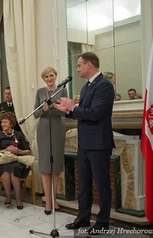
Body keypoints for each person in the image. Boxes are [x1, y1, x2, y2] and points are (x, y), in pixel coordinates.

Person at [54, 52, 115, 235]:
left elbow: (95, 113)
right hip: (84, 143)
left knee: (102, 184)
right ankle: (83, 217)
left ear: (89, 65)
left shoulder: (104, 85)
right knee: (84, 183)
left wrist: (73, 107)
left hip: (98, 143)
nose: (77, 69)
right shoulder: (87, 86)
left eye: (79, 65)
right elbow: (83, 112)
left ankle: (103, 221)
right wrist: (68, 111)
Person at [33, 67, 67, 215]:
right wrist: (44, 109)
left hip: (57, 128)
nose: (49, 78)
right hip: (43, 129)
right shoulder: (40, 92)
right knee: (46, 165)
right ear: (43, 78)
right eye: (46, 76)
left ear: (55, 76)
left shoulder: (62, 90)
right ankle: (47, 200)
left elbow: (65, 112)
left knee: (56, 165)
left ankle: (54, 199)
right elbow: (35, 113)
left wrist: (54, 107)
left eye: (51, 75)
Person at [0, 112, 31, 210]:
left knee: (14, 167)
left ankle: (17, 198)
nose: (3, 124)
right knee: (7, 168)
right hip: (3, 161)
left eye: (5, 122)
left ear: (11, 124)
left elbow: (28, 150)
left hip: (17, 160)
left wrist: (19, 151)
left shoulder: (18, 134)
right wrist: (5, 150)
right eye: (2, 122)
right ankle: (8, 197)